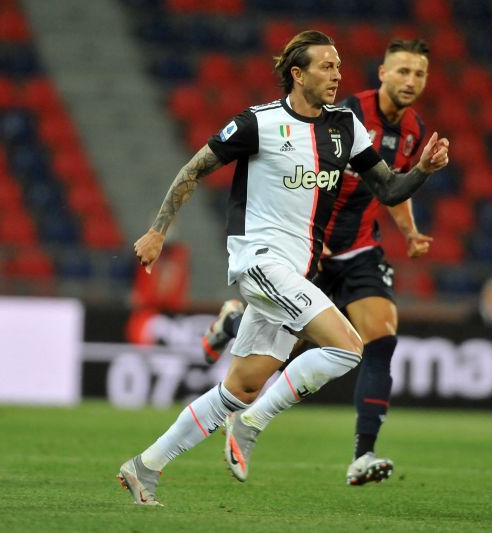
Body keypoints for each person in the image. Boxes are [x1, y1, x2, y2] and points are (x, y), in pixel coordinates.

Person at [118, 30, 449, 506]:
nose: (337, 75)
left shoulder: (345, 128)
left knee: (241, 388)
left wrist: (423, 171)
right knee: (349, 347)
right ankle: (253, 425)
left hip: (298, 270)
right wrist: (157, 231)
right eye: (326, 67)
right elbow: (194, 168)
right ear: (297, 74)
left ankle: (144, 467)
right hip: (260, 260)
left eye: (338, 66)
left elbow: (390, 191)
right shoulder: (260, 123)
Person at [202, 38, 434, 486]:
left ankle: (363, 455)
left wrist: (408, 231)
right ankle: (233, 323)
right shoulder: (344, 114)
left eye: (419, 74)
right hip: (316, 246)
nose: (411, 81)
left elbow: (390, 184)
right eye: (402, 71)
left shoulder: (413, 130)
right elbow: (309, 176)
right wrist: (311, 236)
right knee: (289, 350)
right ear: (383, 73)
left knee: (379, 337)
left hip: (362, 247)